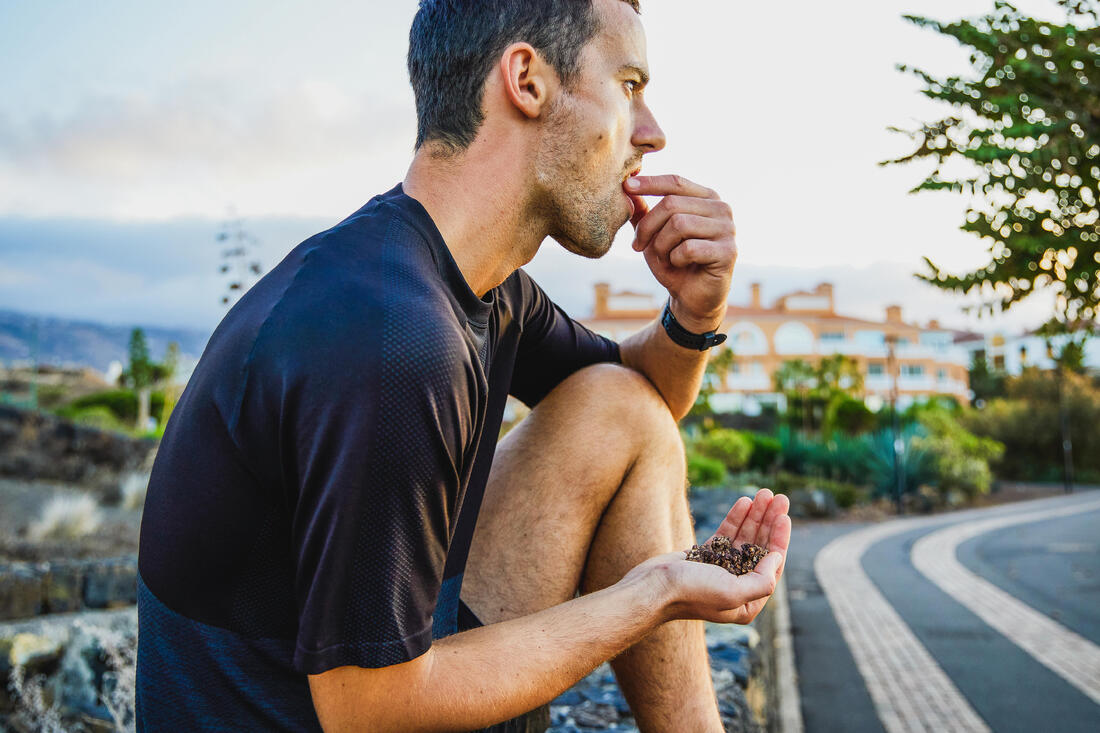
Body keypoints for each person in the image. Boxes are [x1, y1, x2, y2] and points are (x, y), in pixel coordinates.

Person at [135, 0, 792, 730]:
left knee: (617, 404)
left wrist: (696, 316)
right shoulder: (392, 337)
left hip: (371, 687)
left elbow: (644, 399)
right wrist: (654, 591)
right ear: (527, 81)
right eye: (629, 83)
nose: (652, 133)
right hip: (348, 711)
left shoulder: (473, 281)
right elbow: (369, 709)